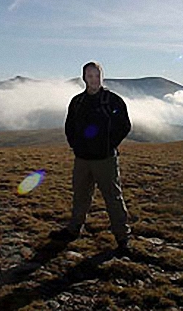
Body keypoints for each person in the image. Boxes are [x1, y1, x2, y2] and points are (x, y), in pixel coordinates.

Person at [51, 61, 132, 253]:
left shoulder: (112, 101)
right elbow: (69, 126)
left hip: (105, 159)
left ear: (101, 77)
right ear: (84, 78)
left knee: (113, 197)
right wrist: (76, 146)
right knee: (80, 195)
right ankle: (73, 229)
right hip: (82, 159)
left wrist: (108, 145)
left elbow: (124, 125)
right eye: (90, 76)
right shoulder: (77, 102)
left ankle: (122, 237)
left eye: (96, 76)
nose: (93, 80)